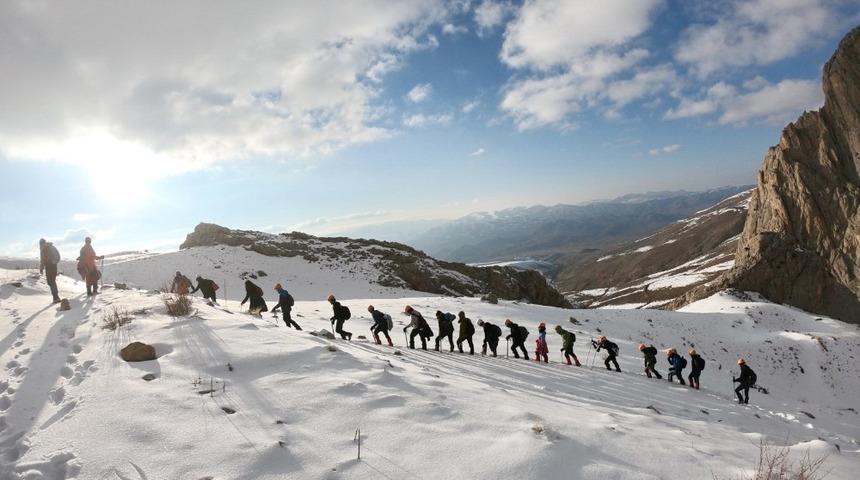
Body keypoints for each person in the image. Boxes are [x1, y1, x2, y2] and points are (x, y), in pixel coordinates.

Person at [39, 238, 61, 303]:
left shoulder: (43, 249)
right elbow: (58, 256)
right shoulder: (52, 247)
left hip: (48, 266)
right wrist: (54, 262)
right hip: (54, 265)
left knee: (50, 281)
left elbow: (42, 260)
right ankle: (56, 296)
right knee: (53, 281)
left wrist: (41, 268)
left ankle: (56, 297)